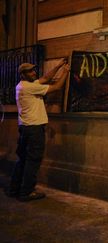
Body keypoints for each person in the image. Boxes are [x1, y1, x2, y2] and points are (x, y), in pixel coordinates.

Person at [5, 59, 70, 201]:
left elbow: (46, 78)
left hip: (25, 128)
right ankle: (26, 192)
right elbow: (57, 87)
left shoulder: (22, 86)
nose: (34, 72)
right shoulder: (29, 87)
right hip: (34, 129)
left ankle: (14, 189)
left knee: (22, 159)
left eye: (34, 70)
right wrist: (66, 72)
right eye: (31, 71)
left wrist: (58, 66)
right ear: (23, 74)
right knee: (32, 160)